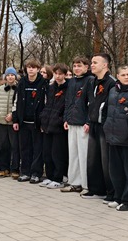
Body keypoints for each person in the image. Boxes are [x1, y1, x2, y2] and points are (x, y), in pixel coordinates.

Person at [102, 65, 128, 211]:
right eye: (123, 75)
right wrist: (106, 127)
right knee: (116, 171)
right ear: (117, 76)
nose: (126, 77)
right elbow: (105, 110)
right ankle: (118, 197)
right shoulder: (113, 90)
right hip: (112, 136)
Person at [82, 53, 116, 201]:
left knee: (106, 160)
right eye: (92, 62)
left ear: (105, 65)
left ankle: (111, 191)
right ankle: (95, 189)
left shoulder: (111, 83)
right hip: (94, 123)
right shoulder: (92, 81)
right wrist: (89, 120)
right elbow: (90, 103)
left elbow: (110, 106)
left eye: (95, 62)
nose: (92, 65)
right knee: (93, 158)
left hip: (105, 125)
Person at [61, 56, 92, 193]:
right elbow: (68, 101)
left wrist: (88, 121)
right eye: (74, 66)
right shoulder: (72, 81)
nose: (77, 68)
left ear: (86, 67)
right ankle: (74, 182)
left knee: (84, 154)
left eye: (80, 66)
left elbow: (91, 103)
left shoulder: (90, 80)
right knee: (73, 154)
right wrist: (66, 119)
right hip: (72, 122)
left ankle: (86, 184)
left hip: (83, 123)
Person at [13, 59, 47, 182]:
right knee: (25, 148)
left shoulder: (43, 84)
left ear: (38, 69)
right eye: (29, 67)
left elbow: (46, 104)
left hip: (37, 123)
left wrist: (43, 122)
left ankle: (36, 173)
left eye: (33, 67)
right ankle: (25, 172)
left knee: (37, 149)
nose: (31, 69)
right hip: (23, 122)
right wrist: (16, 120)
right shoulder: (21, 83)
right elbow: (15, 102)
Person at [39, 63, 69, 189]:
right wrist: (43, 120)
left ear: (65, 75)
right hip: (47, 124)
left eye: (60, 74)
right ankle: (50, 176)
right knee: (47, 154)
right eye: (56, 73)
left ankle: (58, 178)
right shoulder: (50, 88)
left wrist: (61, 120)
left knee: (58, 154)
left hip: (59, 127)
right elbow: (47, 105)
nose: (58, 76)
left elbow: (67, 106)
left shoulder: (68, 88)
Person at [0, 67, 19, 178]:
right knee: (3, 146)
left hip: (13, 123)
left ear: (15, 76)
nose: (10, 77)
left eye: (12, 75)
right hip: (2, 122)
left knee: (15, 146)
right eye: (8, 75)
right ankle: (3, 168)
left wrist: (13, 115)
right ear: (5, 77)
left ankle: (15, 169)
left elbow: (19, 104)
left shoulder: (19, 89)